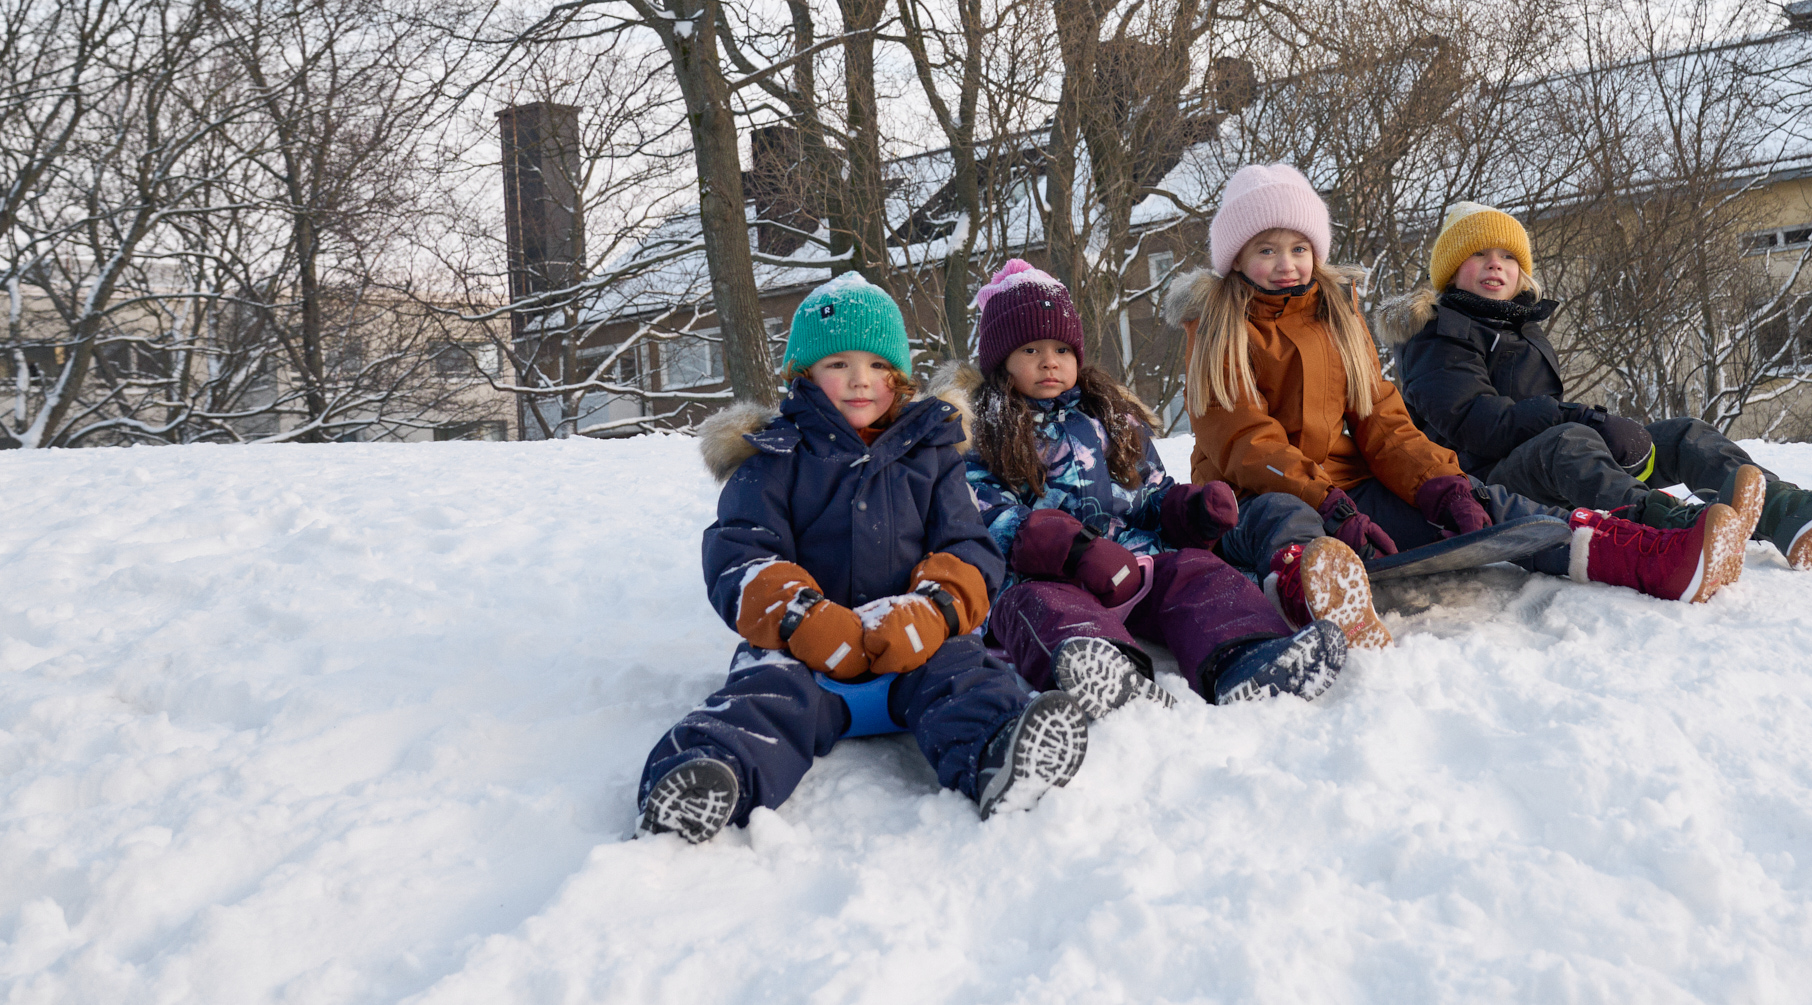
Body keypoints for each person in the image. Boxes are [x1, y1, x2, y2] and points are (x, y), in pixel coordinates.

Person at [636, 272, 1090, 844]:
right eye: (838, 364)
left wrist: (932, 611)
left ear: (899, 375)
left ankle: (1000, 754)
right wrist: (801, 618)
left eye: (878, 365)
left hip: (914, 645)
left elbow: (967, 546)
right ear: (804, 372)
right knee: (763, 698)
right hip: (804, 652)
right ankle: (705, 776)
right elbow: (740, 554)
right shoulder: (773, 458)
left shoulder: (932, 452)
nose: (861, 380)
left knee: (968, 680)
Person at [1164, 164, 1747, 608]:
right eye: (1266, 250)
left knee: (1490, 504)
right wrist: (1330, 506)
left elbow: (1382, 420)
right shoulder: (1216, 329)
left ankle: (1645, 557)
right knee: (1287, 522)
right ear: (1236, 258)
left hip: (1346, 491)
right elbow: (1247, 443)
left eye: (1298, 248)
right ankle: (1314, 595)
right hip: (1247, 499)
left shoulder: (1335, 315)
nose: (1286, 263)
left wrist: (1439, 485)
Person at [936, 259, 1351, 713]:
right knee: (1037, 606)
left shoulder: (1111, 417)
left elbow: (1148, 492)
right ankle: (1109, 677)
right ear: (1000, 362)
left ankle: (1248, 656)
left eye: (1062, 349)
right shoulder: (981, 432)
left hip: (1132, 566)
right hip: (1045, 578)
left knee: (1198, 571)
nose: (1050, 361)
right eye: (1031, 349)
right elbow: (987, 516)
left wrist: (1186, 509)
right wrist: (1073, 549)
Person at [1392, 202, 1812, 570]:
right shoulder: (1437, 337)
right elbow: (1479, 425)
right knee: (1570, 443)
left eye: (1507, 254)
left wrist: (1604, 430)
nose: (1495, 263)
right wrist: (1584, 421)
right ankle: (1677, 531)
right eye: (1478, 253)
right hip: (1487, 490)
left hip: (1542, 465)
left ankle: (1790, 514)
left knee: (1682, 436)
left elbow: (1540, 417)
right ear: (1450, 271)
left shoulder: (1519, 329)